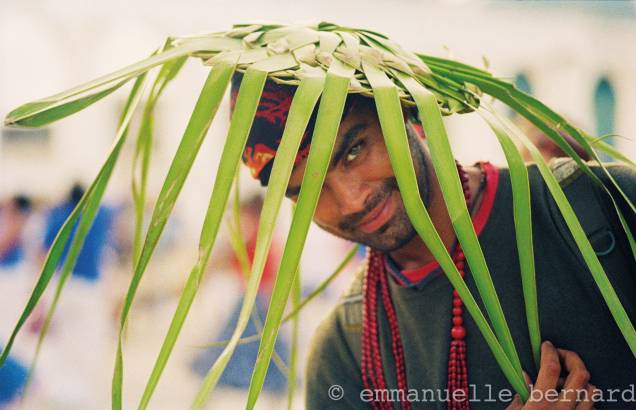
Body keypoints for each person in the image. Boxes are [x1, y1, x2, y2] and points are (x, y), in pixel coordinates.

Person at [230, 74, 636, 409]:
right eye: (311, 189)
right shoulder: (345, 357)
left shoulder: (604, 208)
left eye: (354, 150)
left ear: (404, 110)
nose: (351, 200)